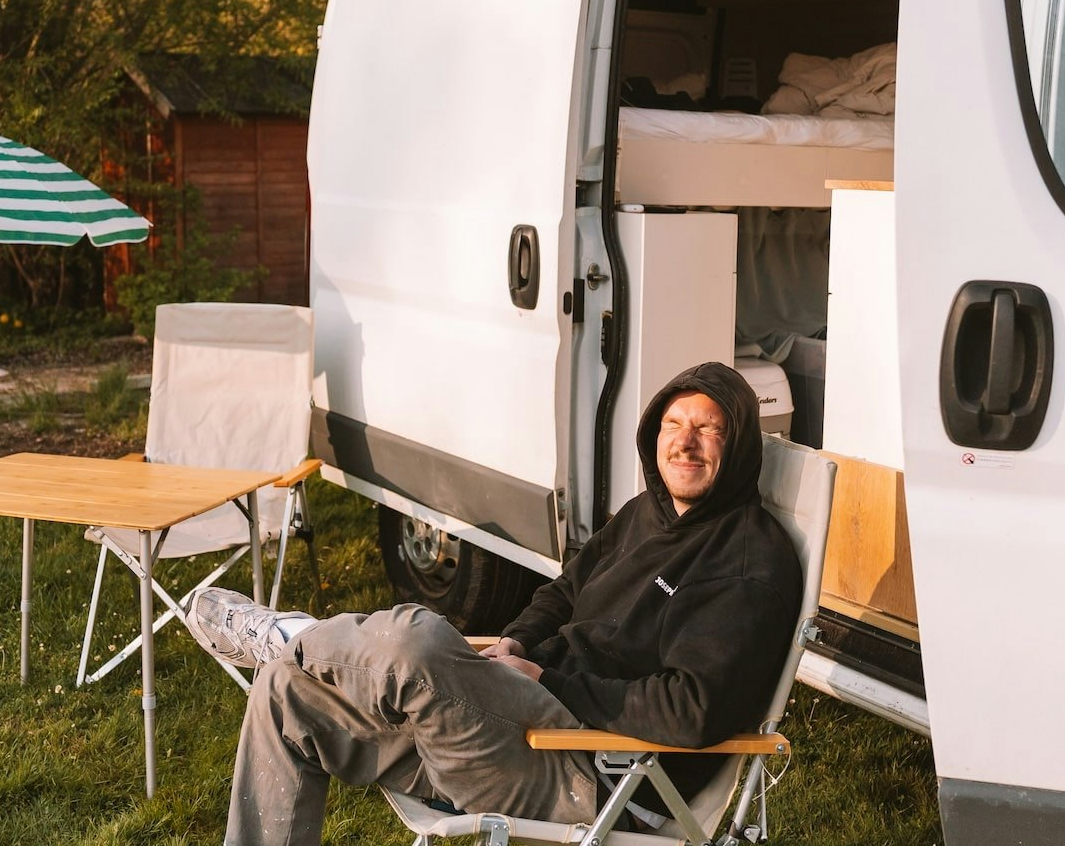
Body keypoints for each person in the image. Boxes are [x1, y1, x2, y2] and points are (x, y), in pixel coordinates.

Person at [194, 361, 804, 846]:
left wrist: (546, 680)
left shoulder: (747, 566)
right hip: (521, 726)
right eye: (673, 425)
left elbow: (691, 709)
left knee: (418, 641)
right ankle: (292, 651)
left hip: (593, 774)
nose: (685, 444)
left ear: (739, 445)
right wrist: (516, 641)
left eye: (708, 430)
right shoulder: (651, 513)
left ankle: (300, 636)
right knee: (283, 693)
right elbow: (565, 591)